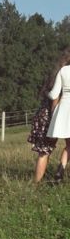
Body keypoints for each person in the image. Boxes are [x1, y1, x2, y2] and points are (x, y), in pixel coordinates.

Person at [45, 48, 70, 182]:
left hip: (65, 110)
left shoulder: (63, 70)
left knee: (69, 144)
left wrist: (45, 93)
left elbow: (54, 94)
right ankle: (60, 171)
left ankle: (60, 172)